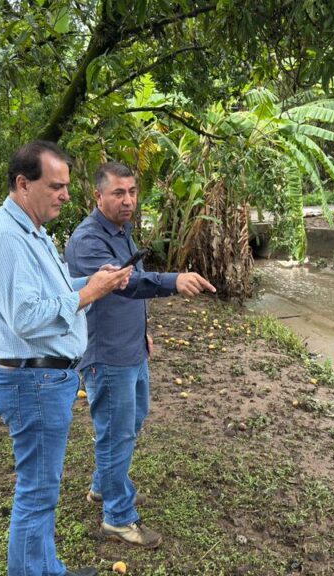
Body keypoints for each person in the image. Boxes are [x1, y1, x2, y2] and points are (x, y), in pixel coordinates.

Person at [0, 141, 131, 576]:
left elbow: (49, 295)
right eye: (55, 186)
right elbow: (26, 318)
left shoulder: (31, 231)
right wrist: (89, 293)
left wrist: (94, 281)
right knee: (37, 493)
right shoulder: (5, 238)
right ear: (23, 184)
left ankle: (47, 570)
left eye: (66, 186)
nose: (64, 195)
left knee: (43, 490)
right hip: (32, 382)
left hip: (43, 380)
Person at [65, 161, 216, 548]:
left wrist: (145, 333)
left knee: (131, 424)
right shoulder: (87, 241)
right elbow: (124, 285)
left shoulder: (123, 231)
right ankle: (118, 517)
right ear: (98, 196)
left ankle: (104, 486)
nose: (128, 200)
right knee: (116, 434)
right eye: (118, 193)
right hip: (108, 354)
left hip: (132, 347)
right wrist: (173, 280)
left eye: (132, 192)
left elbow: (132, 292)